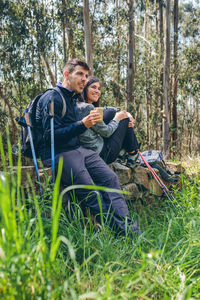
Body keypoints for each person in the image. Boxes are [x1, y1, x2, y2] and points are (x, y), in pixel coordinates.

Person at [35, 58, 139, 237]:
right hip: (59, 153)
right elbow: (49, 136)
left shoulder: (73, 98)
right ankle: (119, 233)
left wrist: (121, 112)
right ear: (67, 74)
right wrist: (82, 125)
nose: (84, 79)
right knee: (91, 192)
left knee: (110, 179)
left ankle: (131, 230)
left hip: (78, 150)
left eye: (85, 75)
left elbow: (100, 109)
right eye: (79, 74)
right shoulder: (52, 97)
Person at [77, 76, 140, 165]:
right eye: (93, 87)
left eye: (99, 89)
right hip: (103, 155)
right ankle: (133, 154)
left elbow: (108, 109)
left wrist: (121, 112)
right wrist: (118, 118)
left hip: (91, 150)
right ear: (84, 89)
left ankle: (123, 153)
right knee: (124, 119)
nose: (97, 91)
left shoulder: (80, 105)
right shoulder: (88, 108)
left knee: (112, 113)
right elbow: (106, 132)